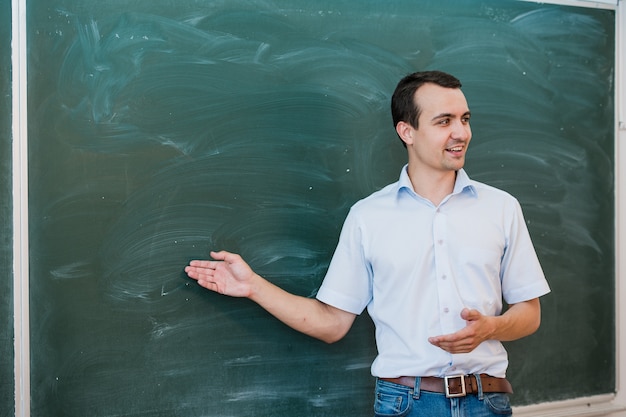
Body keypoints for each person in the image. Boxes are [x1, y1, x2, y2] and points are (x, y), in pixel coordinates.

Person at [185, 70, 550, 417]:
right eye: (444, 121)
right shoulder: (368, 217)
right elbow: (331, 323)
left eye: (465, 119)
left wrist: (491, 328)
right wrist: (253, 287)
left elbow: (529, 313)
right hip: (405, 403)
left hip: (486, 401)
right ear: (407, 131)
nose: (461, 132)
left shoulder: (501, 208)